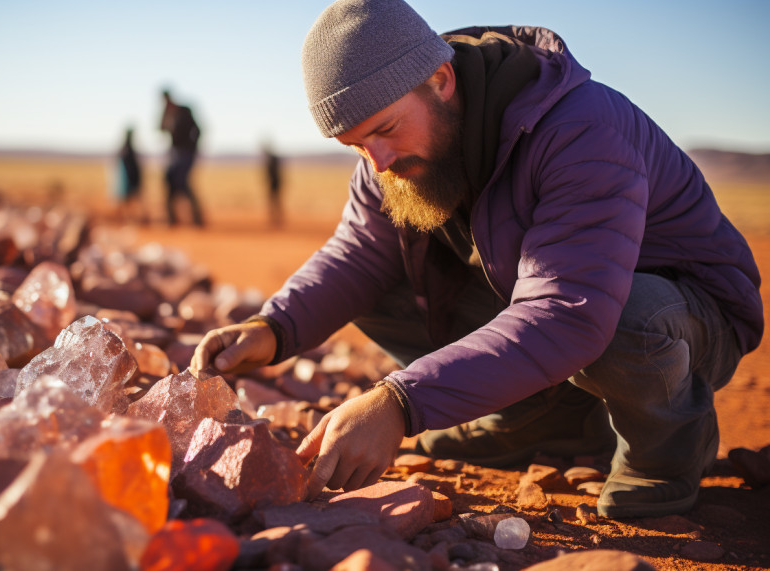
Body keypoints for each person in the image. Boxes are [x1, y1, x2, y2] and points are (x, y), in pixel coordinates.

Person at [191, 0, 763, 519]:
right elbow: (358, 253)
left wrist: (401, 402)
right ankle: (543, 419)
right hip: (560, 303)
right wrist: (272, 326)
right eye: (357, 145)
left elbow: (569, 311)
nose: (378, 161)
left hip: (684, 316)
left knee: (623, 319)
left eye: (385, 131)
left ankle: (665, 452)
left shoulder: (581, 128)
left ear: (440, 80)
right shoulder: (394, 149)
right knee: (377, 289)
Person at [159, 88, 205, 226]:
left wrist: (192, 148)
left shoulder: (184, 111)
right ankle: (172, 219)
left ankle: (197, 218)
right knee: (169, 181)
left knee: (183, 183)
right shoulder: (167, 113)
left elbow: (198, 130)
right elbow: (161, 128)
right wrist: (164, 114)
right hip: (174, 153)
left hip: (185, 153)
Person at [115, 127, 148, 224]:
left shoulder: (125, 149)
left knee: (128, 201)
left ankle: (130, 218)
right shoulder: (127, 150)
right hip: (128, 180)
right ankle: (126, 219)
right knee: (126, 200)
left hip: (130, 179)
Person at [262, 141, 284, 228]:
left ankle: (277, 219)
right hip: (274, 183)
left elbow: (274, 173)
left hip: (275, 183)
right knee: (274, 201)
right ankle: (275, 219)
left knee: (274, 201)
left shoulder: (271, 159)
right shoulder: (272, 158)